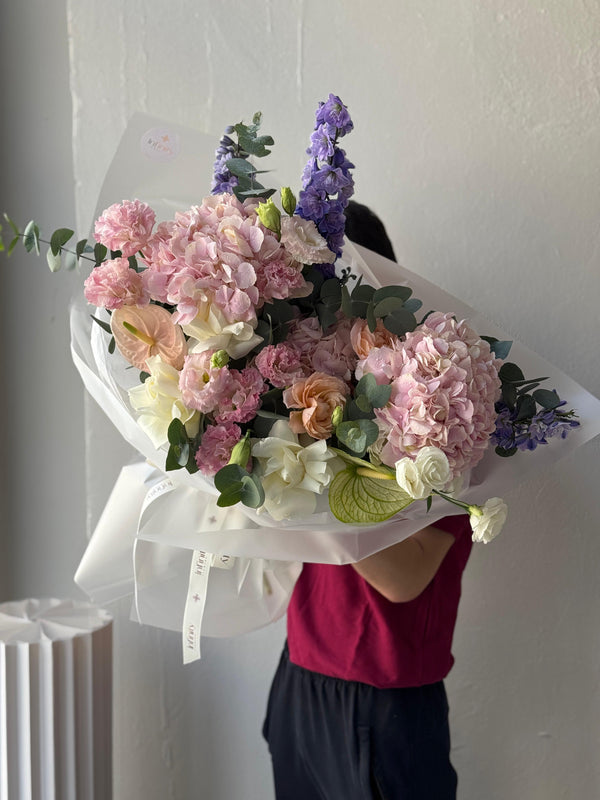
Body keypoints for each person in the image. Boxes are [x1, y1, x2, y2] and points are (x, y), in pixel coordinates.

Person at [262, 201, 473, 799]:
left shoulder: (444, 405)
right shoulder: (293, 390)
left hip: (387, 701)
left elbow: (405, 576)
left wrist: (299, 478)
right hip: (300, 676)